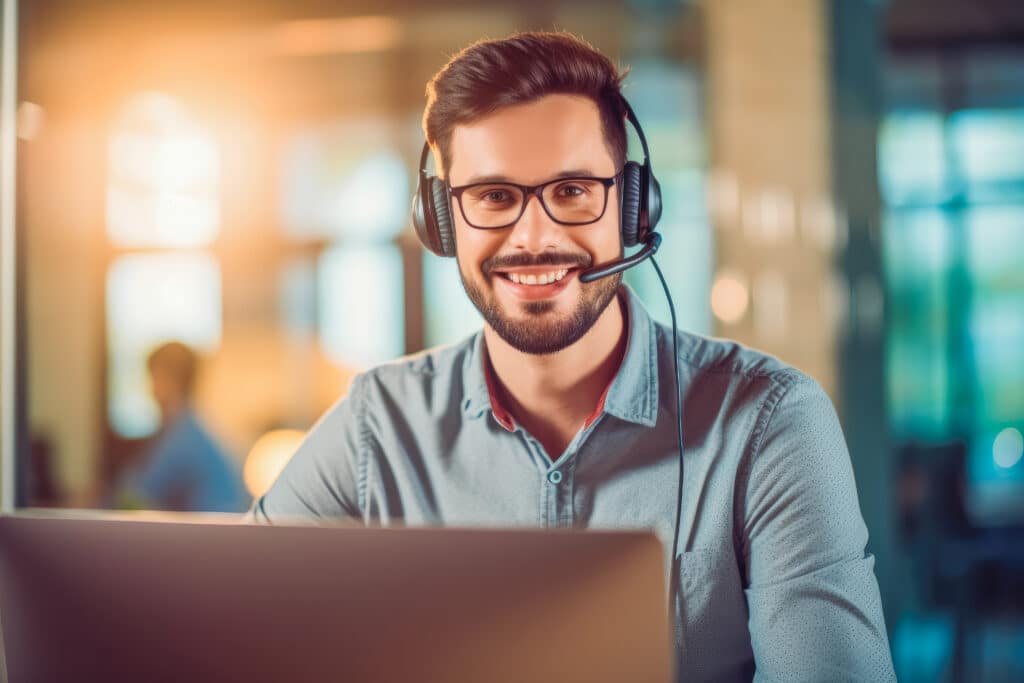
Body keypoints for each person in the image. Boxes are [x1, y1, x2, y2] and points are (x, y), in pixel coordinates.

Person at [249, 32, 896, 681]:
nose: (535, 236)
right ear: (442, 220)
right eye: (494, 197)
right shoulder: (377, 427)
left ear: (633, 207)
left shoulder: (768, 421)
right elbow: (230, 623)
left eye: (573, 191)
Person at [118, 341, 248, 512]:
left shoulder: (183, 438)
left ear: (170, 379)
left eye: (153, 378)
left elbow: (135, 498)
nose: (150, 390)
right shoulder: (194, 429)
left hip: (207, 534)